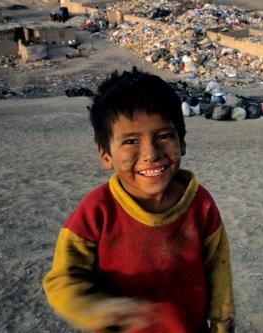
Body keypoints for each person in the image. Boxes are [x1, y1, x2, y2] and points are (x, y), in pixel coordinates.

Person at [43, 68, 234, 333]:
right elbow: (62, 279)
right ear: (105, 155)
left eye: (164, 136)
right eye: (131, 141)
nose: (150, 154)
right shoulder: (97, 211)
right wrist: (95, 309)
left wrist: (223, 321)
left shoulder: (199, 203)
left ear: (183, 141)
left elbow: (218, 269)